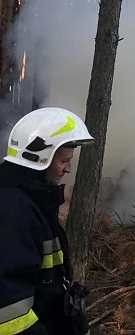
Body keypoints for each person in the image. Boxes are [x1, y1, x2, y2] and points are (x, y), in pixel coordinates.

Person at [0, 107, 94, 334]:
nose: (69, 168)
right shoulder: (14, 210)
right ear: (39, 158)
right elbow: (9, 310)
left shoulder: (30, 201)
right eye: (64, 161)